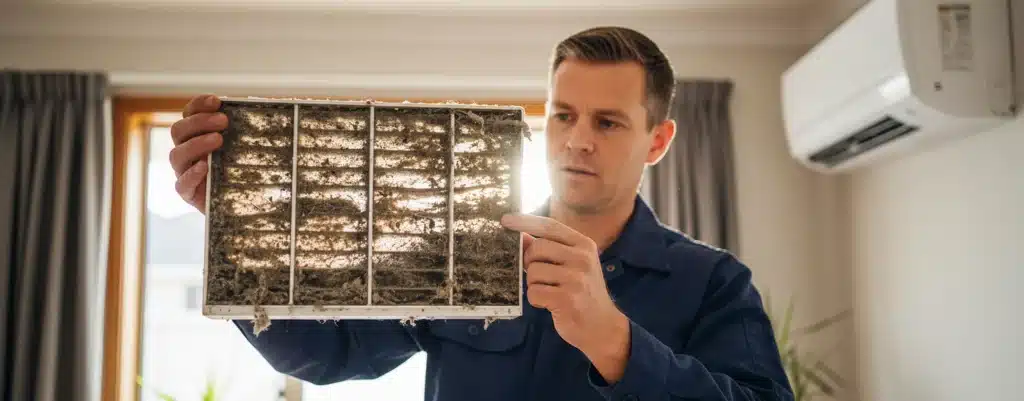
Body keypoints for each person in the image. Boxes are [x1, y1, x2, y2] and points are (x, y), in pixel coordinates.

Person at [168, 26, 794, 401]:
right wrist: (232, 224)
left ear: (658, 141)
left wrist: (614, 341)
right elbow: (325, 355)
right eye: (564, 115)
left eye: (608, 122)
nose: (577, 140)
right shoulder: (458, 256)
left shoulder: (714, 282)